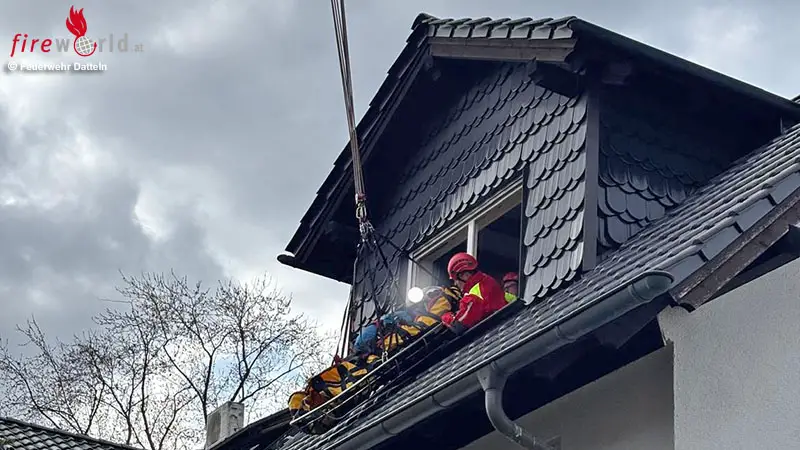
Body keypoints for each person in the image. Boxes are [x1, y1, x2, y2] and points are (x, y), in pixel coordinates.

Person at [440, 252, 507, 334]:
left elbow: (458, 325)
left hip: (494, 331)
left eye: (455, 280)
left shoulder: (473, 295)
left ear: (465, 275)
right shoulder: (488, 281)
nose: (455, 284)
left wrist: (445, 316)